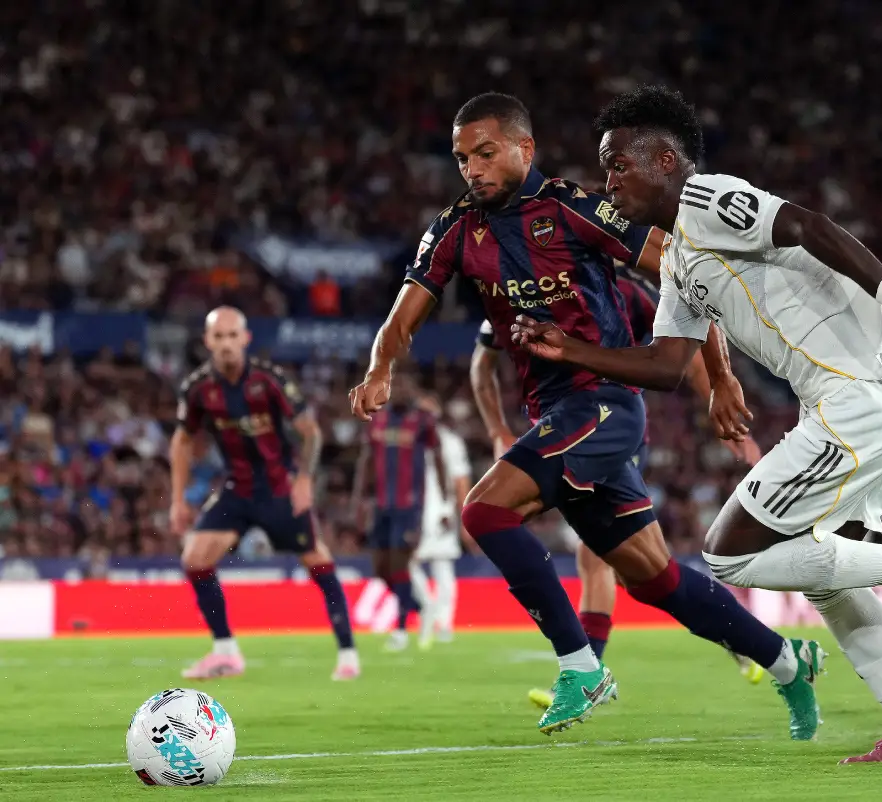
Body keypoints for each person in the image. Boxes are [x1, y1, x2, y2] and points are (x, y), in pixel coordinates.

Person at [511, 84, 882, 762]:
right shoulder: (676, 257)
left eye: (618, 164)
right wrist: (571, 348)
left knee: (728, 551)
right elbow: (670, 365)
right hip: (859, 396)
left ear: (666, 160)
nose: (608, 181)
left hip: (860, 392)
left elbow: (809, 225)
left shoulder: (707, 199)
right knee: (828, 572)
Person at [350, 92, 824, 739]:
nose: (473, 169)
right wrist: (380, 367)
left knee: (485, 512)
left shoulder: (576, 210)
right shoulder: (459, 228)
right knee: (654, 580)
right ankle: (788, 661)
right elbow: (405, 313)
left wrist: (720, 378)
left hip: (604, 403)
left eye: (486, 153)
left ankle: (581, 666)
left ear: (525, 148)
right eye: (463, 158)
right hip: (557, 412)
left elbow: (684, 272)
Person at [470, 273, 766, 712]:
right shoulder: (518, 286)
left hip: (613, 428)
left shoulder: (624, 290)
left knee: (598, 557)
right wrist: (496, 429)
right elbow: (482, 365)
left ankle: (586, 671)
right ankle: (747, 641)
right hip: (561, 427)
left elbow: (689, 343)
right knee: (643, 574)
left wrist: (716, 406)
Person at [171, 306, 360, 681]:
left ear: (245, 338)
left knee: (316, 560)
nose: (225, 344)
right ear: (207, 341)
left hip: (279, 489)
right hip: (237, 490)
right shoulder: (197, 389)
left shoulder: (269, 380)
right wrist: (177, 498)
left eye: (232, 335)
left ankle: (348, 652)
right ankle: (226, 652)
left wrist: (304, 479)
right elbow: (182, 440)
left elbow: (310, 431)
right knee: (194, 558)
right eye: (218, 337)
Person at [352, 373, 448, 652]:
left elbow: (438, 455)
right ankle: (419, 606)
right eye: (397, 387)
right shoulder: (377, 420)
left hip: (410, 506)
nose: (402, 392)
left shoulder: (422, 421)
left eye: (407, 386)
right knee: (380, 568)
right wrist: (358, 500)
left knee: (398, 565)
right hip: (381, 505)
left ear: (414, 392)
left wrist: (443, 500)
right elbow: (366, 460)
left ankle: (402, 629)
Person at [409, 391, 474, 646]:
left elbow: (461, 482)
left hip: (440, 513)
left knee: (443, 567)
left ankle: (445, 623)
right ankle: (428, 605)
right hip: (412, 511)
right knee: (405, 563)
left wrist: (463, 515)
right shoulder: (409, 440)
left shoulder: (451, 442)